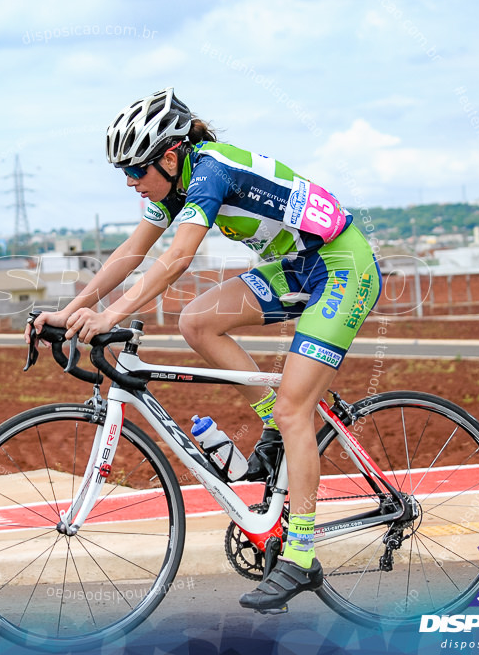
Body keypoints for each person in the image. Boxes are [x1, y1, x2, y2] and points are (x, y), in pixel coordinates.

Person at [27, 87, 381, 612]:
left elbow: (176, 260)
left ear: (170, 156)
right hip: (303, 266)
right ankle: (274, 431)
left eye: (136, 170)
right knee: (198, 322)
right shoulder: (172, 183)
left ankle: (302, 556)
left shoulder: (211, 171)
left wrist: (108, 316)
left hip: (344, 268)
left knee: (294, 408)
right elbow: (133, 251)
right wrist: (70, 307)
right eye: (123, 171)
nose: (130, 182)